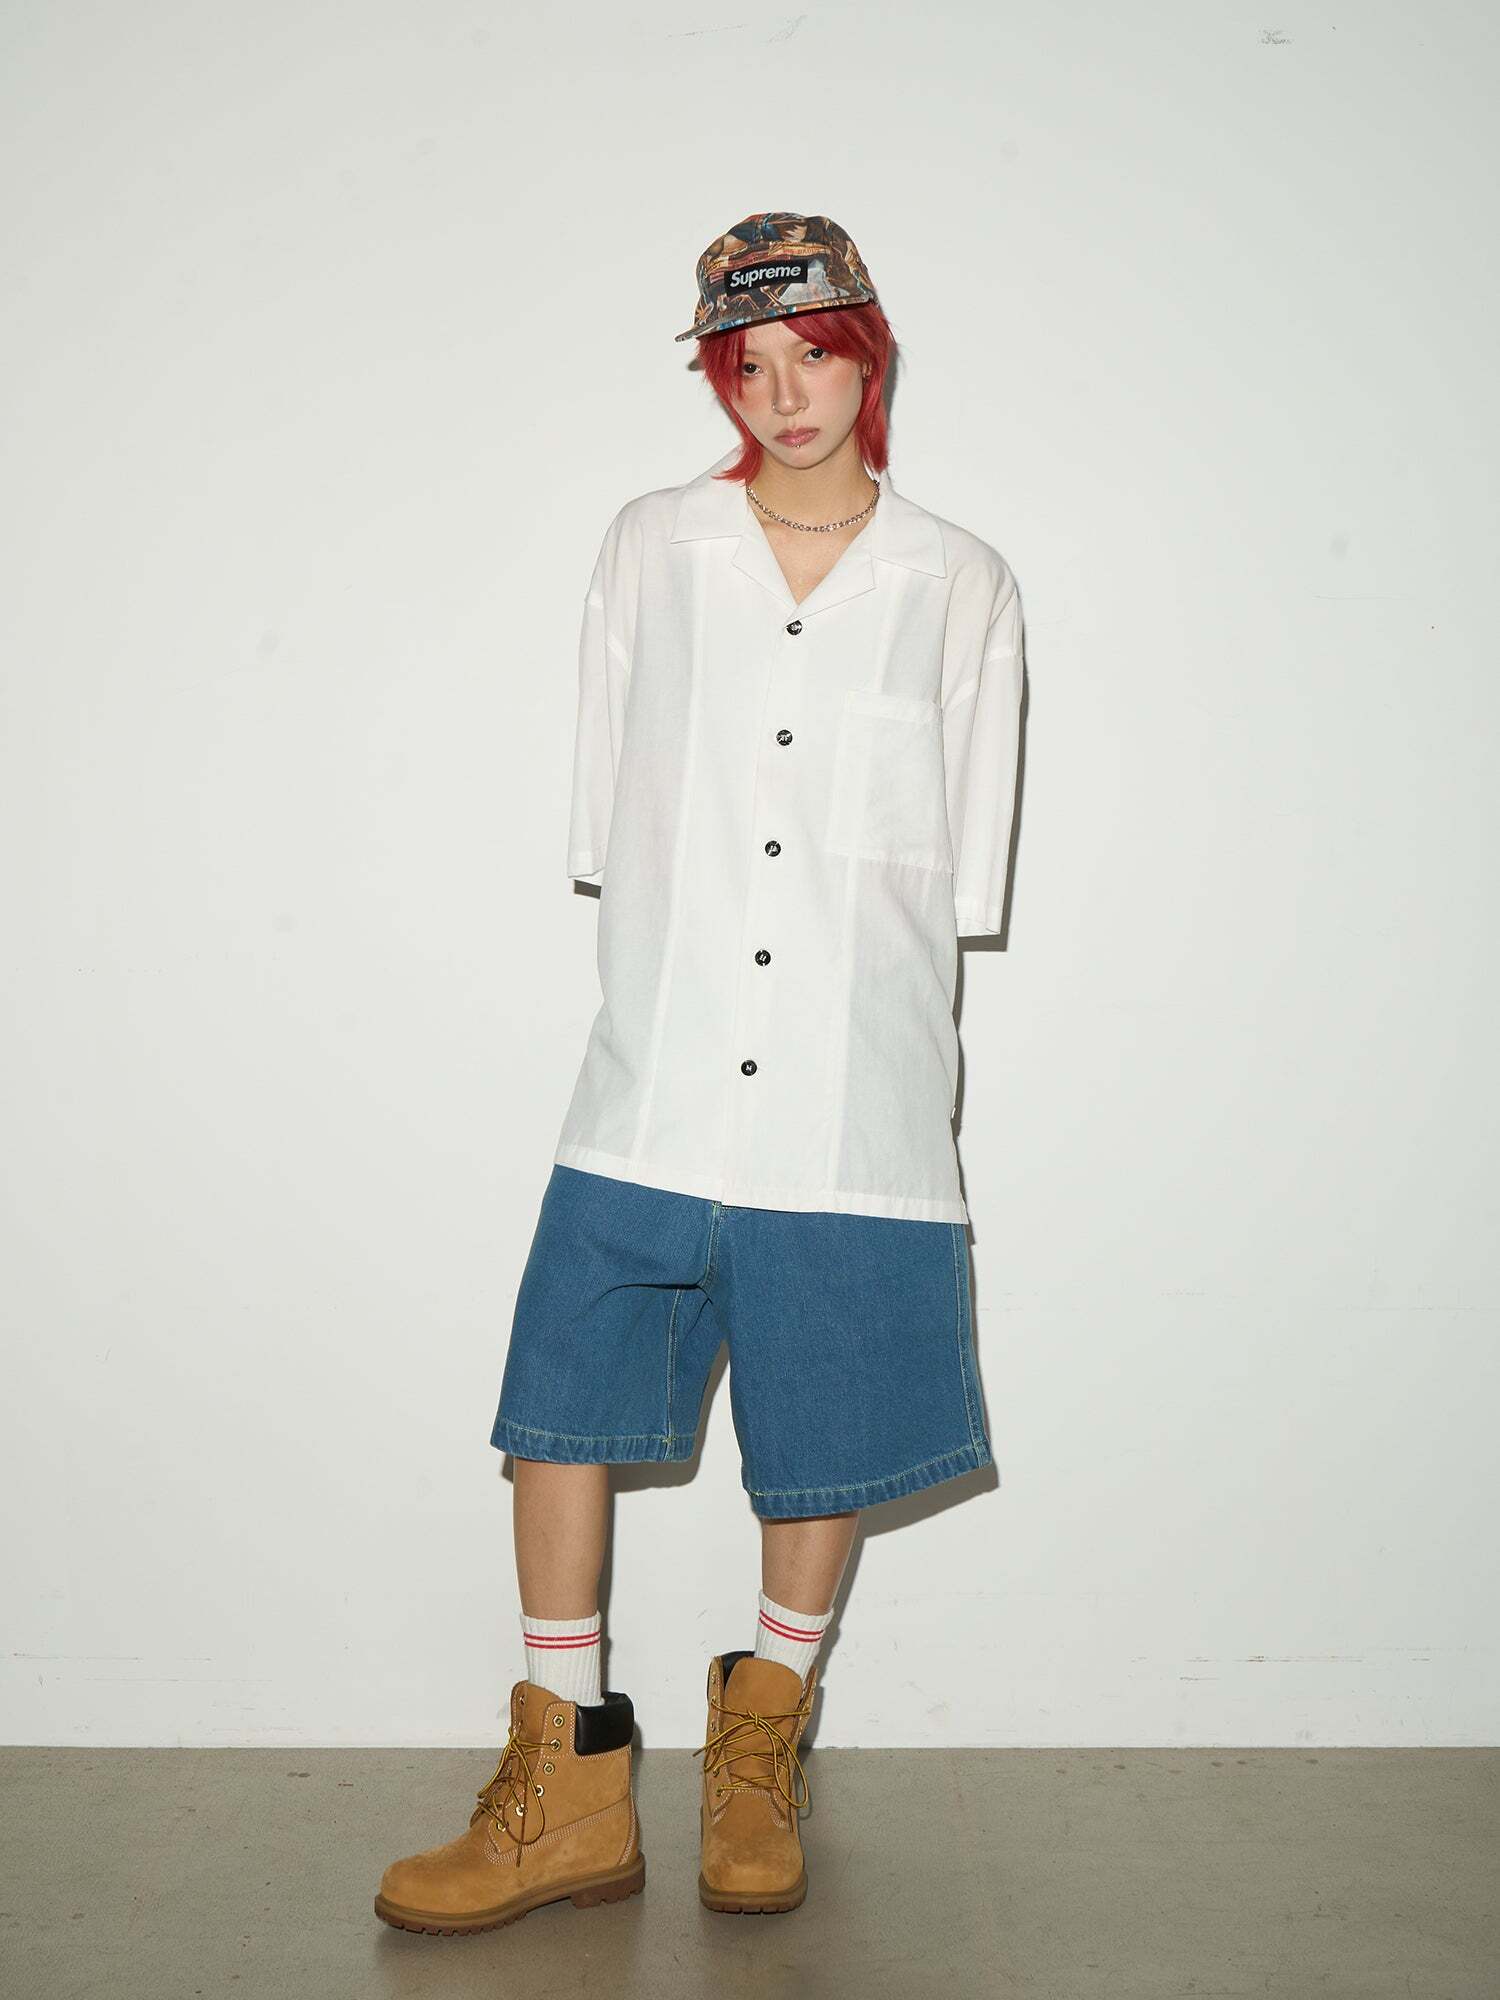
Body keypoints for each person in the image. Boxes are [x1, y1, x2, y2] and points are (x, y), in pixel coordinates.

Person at [373, 211, 1025, 1935]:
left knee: (827, 1430)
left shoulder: (958, 582)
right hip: (654, 1078)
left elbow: (956, 877)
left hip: (853, 1091)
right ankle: (567, 1783)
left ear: (870, 357)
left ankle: (760, 1749)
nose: (786, 390)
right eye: (750, 362)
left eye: (816, 353)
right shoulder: (652, 548)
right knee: (560, 1403)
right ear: (721, 378)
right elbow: (613, 821)